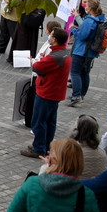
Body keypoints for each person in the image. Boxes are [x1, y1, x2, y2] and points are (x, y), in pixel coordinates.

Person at [22, 26, 72, 158]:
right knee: (50, 121)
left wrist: (34, 61)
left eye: (51, 35)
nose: (49, 37)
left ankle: (38, 148)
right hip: (56, 93)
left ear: (54, 39)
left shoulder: (54, 56)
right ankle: (45, 145)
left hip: (47, 92)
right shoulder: (64, 53)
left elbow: (38, 66)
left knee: (39, 121)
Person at [68, 0, 106, 107]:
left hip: (81, 51)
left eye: (87, 5)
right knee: (85, 73)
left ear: (90, 9)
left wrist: (73, 29)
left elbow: (82, 36)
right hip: (90, 52)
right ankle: (82, 94)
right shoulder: (100, 18)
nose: (85, 7)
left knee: (75, 73)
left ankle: (76, 96)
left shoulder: (89, 21)